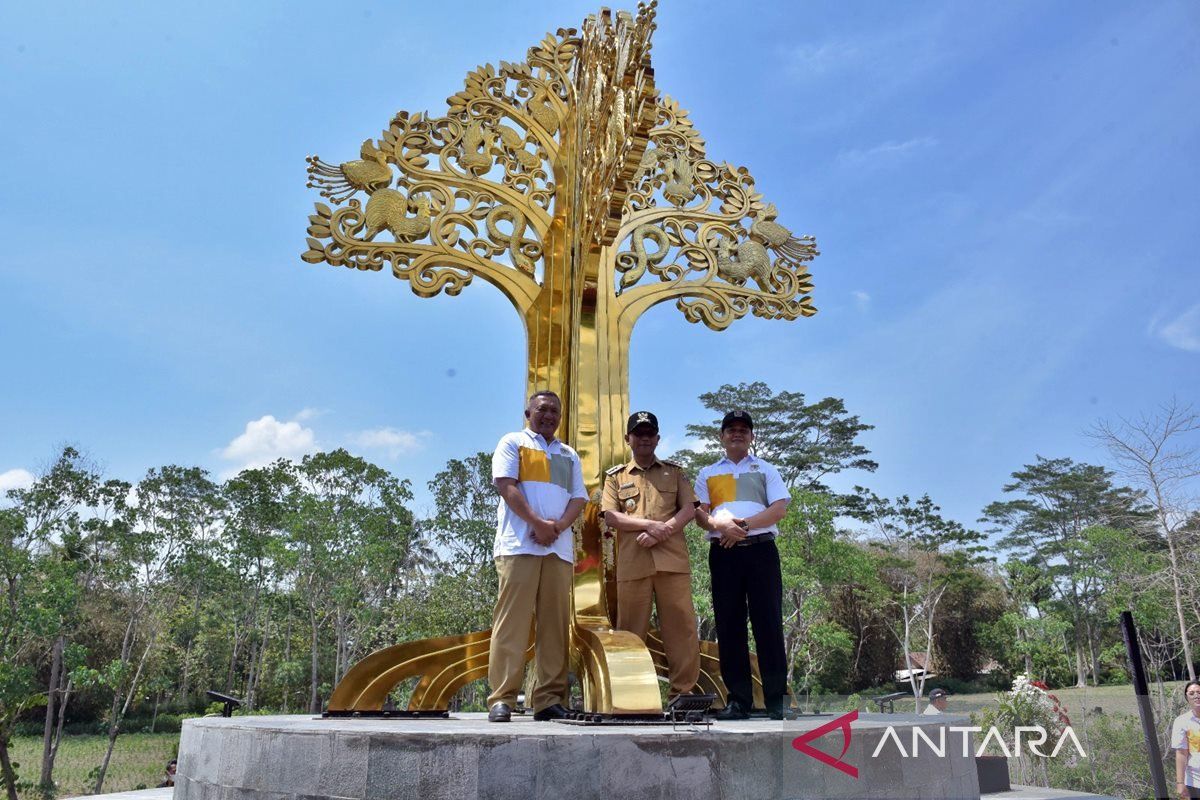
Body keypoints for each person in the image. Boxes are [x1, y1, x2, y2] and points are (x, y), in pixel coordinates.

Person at [487, 390, 588, 723]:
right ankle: (501, 698)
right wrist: (536, 523)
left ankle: (548, 699)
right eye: (542, 409)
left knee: (555, 627)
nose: (548, 415)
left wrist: (556, 527)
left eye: (554, 411)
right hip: (519, 546)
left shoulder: (569, 454)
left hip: (557, 550)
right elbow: (507, 485)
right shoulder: (513, 442)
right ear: (527, 412)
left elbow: (578, 498)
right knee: (512, 623)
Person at [693, 410, 791, 720]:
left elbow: (778, 510)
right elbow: (700, 514)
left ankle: (777, 700)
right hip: (723, 552)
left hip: (760, 550)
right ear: (721, 436)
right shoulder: (707, 473)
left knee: (769, 624)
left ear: (751, 437)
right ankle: (738, 700)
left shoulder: (766, 469)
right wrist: (722, 528)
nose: (737, 433)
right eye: (731, 429)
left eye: (743, 430)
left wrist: (741, 527)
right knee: (729, 625)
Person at [601, 411, 700, 700]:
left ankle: (684, 694)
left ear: (657, 438)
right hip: (634, 564)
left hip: (673, 563)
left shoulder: (675, 472)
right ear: (628, 439)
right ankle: (630, 697)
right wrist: (649, 525)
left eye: (649, 433)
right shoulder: (615, 477)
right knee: (630, 631)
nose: (644, 438)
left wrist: (663, 531)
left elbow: (689, 509)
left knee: (681, 628)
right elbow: (611, 517)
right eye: (638, 433)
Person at [1172, 680, 1200, 799]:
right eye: (1192, 693)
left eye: (1199, 692)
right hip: (1195, 782)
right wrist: (1180, 783)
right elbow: (1181, 754)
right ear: (1186, 697)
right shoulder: (1181, 721)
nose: (1196, 696)